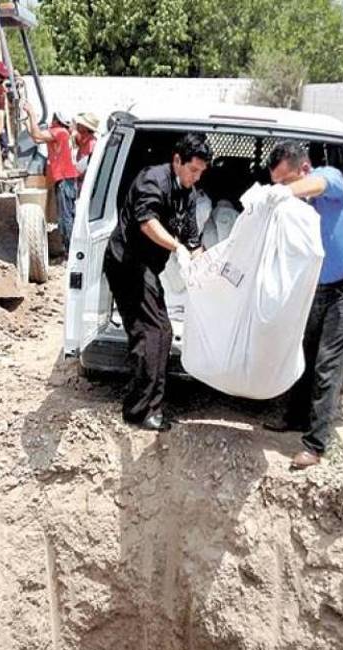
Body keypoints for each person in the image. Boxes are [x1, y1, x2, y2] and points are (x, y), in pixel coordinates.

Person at [263, 141, 343, 470]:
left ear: (304, 169)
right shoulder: (295, 203)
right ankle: (295, 417)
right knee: (304, 353)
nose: (280, 188)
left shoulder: (329, 178)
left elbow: (317, 185)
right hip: (316, 285)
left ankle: (315, 444)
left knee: (328, 362)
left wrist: (281, 192)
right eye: (276, 182)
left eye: (285, 180)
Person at [104, 133, 212, 431]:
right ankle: (139, 411)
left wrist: (204, 266)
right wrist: (176, 247)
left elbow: (192, 238)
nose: (196, 177)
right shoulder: (152, 180)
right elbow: (147, 222)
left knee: (162, 331)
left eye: (201, 172)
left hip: (148, 267)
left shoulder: (188, 193)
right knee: (151, 332)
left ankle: (151, 404)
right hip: (126, 263)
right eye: (193, 170)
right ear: (177, 160)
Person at [24, 104, 80, 250]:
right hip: (66, 179)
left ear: (56, 119)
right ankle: (70, 248)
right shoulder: (65, 133)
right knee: (67, 215)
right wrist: (28, 122)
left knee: (65, 217)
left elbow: (37, 136)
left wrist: (31, 113)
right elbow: (37, 139)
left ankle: (70, 250)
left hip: (64, 179)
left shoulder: (59, 132)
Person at [74, 112, 101, 184]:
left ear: (85, 127)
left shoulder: (91, 145)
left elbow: (86, 168)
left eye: (80, 123)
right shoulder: (84, 140)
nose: (77, 124)